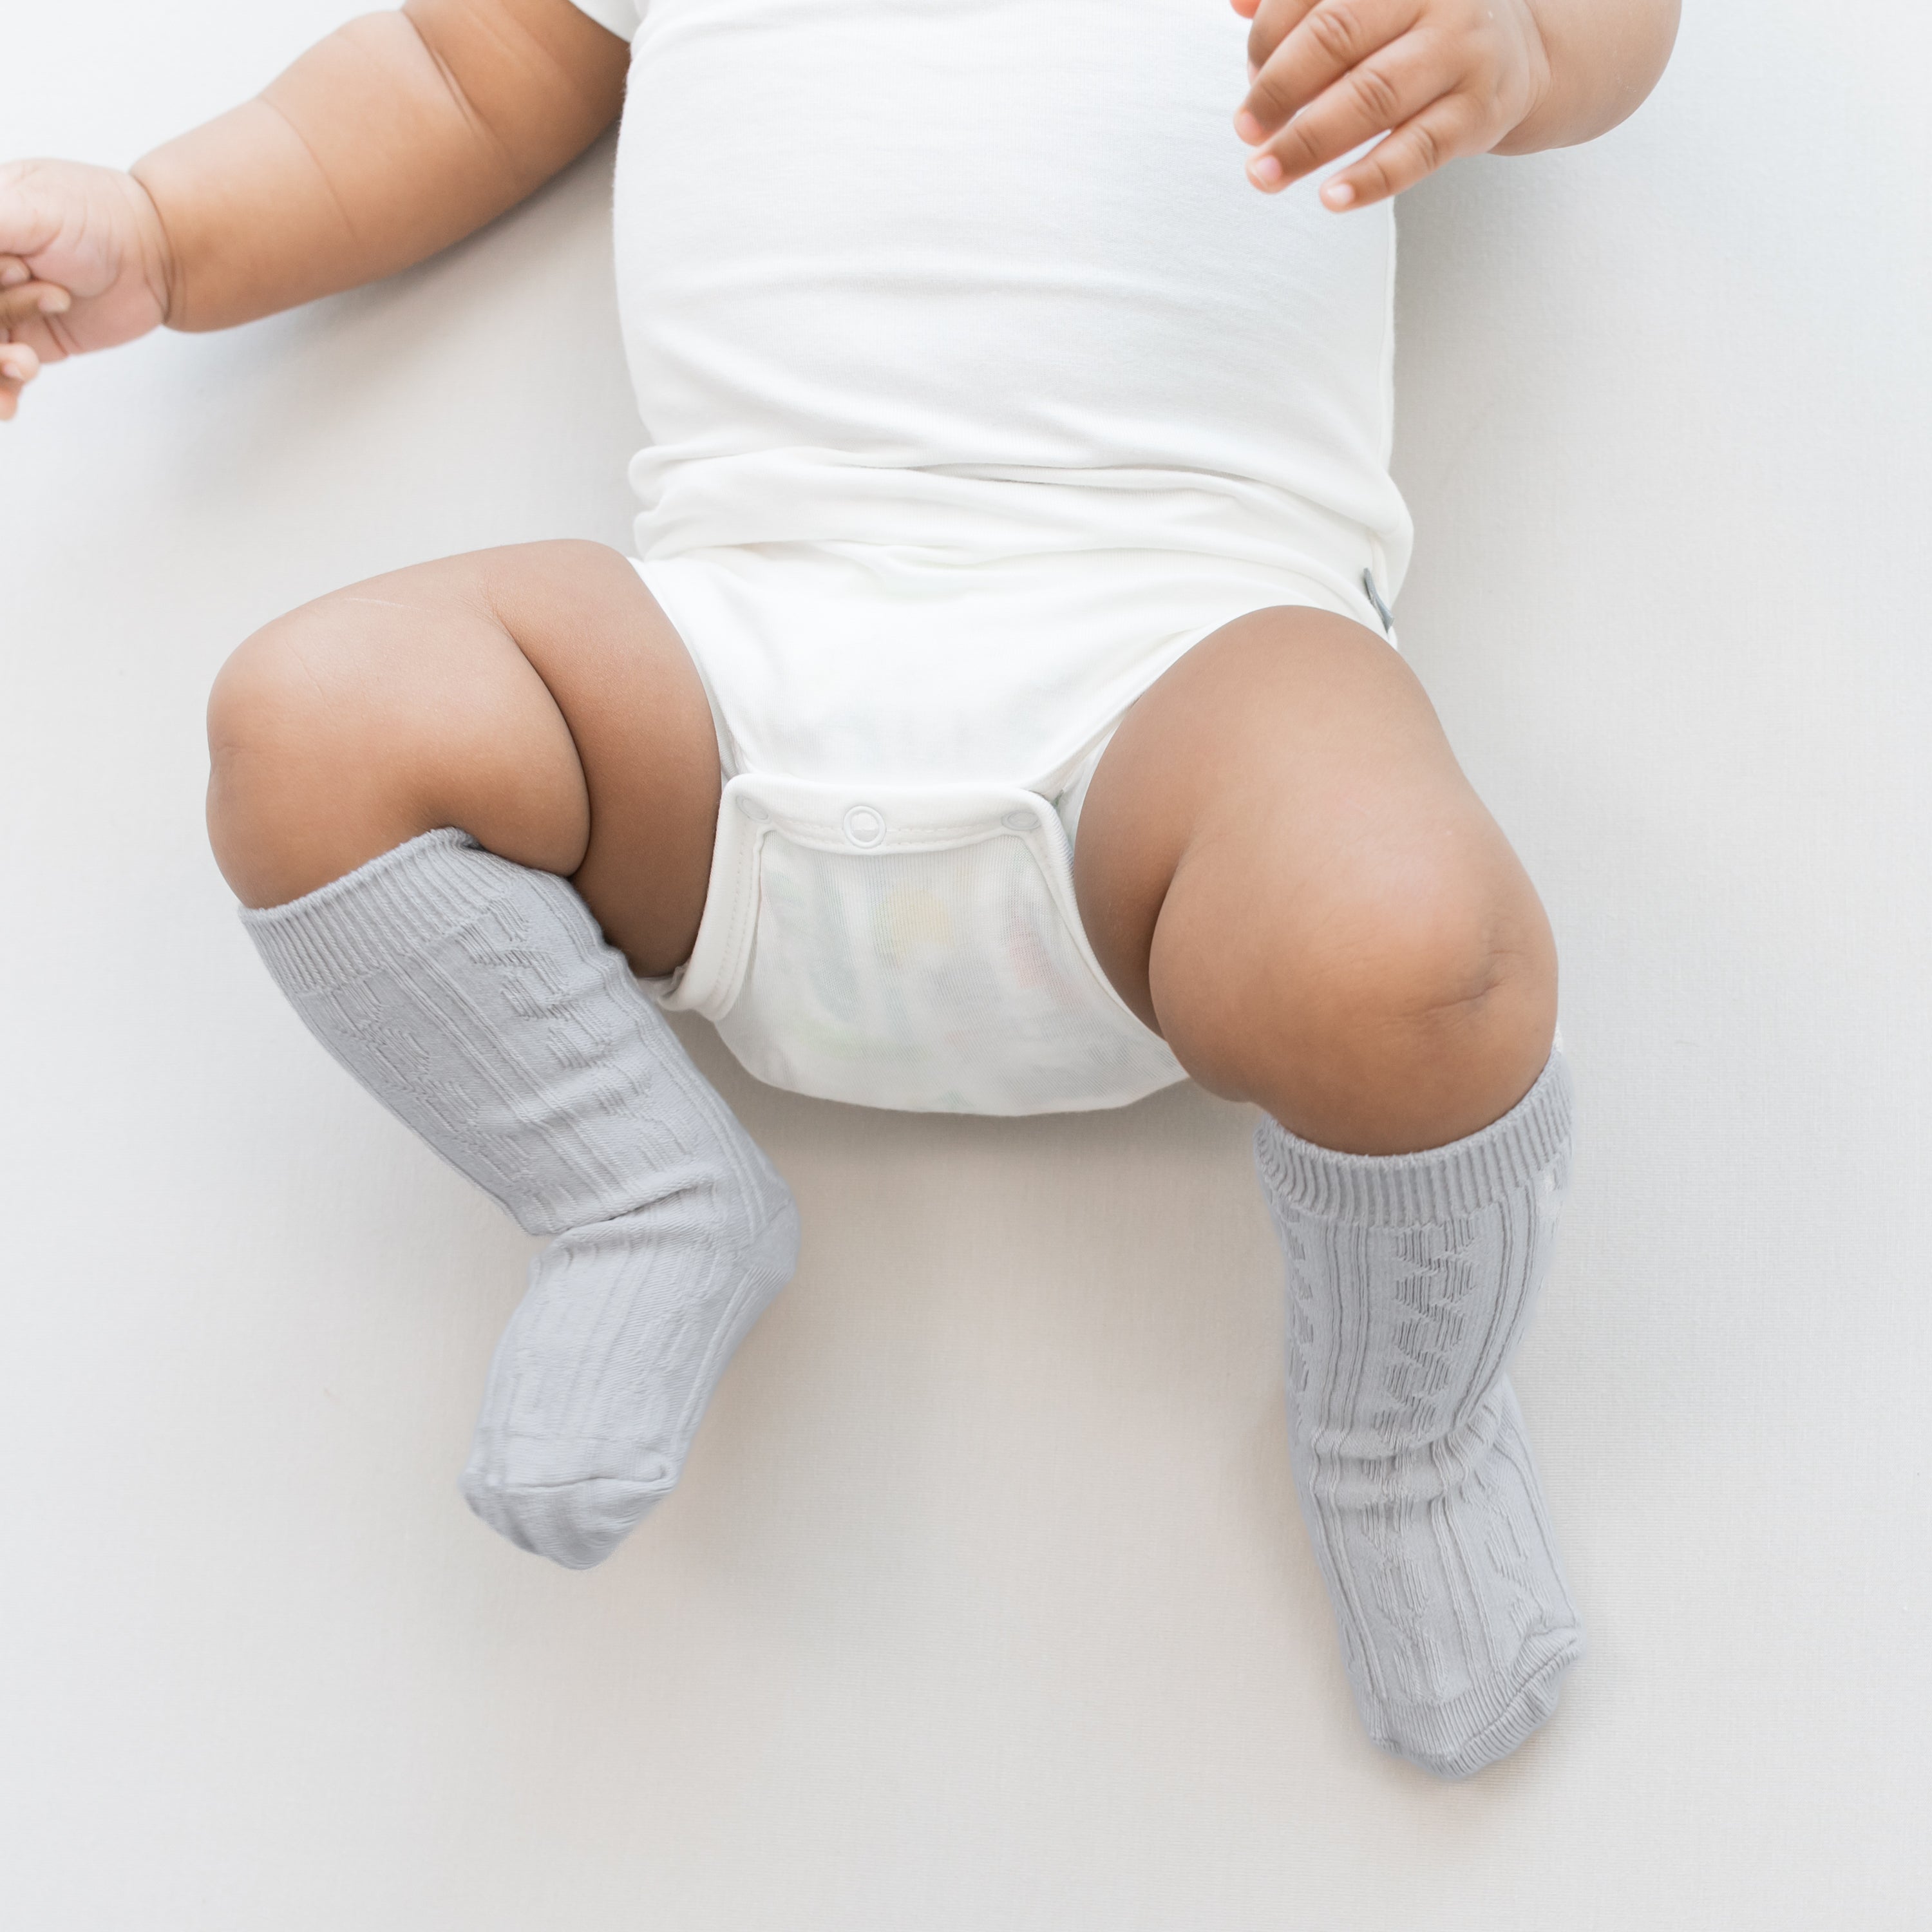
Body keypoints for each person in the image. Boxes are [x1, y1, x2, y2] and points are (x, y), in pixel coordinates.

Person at [0, 0, 1678, 1776]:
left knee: (1415, 951)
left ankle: (1402, 1435)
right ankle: (634, 1192)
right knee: (310, 716)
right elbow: (441, 73)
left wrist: (1515, 44)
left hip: (1182, 689)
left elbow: (1609, 29)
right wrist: (168, 226)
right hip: (727, 695)